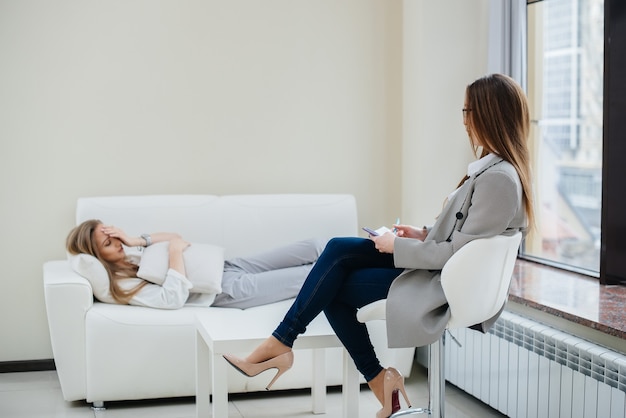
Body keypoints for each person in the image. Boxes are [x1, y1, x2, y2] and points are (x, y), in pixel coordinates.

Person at [222, 74, 534, 418]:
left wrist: (395, 248)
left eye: (468, 110)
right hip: (437, 271)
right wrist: (420, 233)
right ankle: (290, 346)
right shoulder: (493, 173)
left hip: (442, 286)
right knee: (337, 249)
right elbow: (464, 235)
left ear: (490, 115)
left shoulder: (499, 180)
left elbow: (458, 256)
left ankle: (304, 353)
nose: (463, 120)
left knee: (333, 285)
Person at [66, 219, 324, 309]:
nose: (117, 242)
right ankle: (364, 276)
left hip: (226, 265)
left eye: (112, 235)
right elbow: (171, 299)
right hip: (222, 290)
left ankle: (363, 251)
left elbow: (174, 238)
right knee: (310, 275)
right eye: (109, 243)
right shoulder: (122, 284)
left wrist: (134, 240)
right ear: (98, 256)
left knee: (313, 246)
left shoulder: (131, 255)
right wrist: (174, 254)